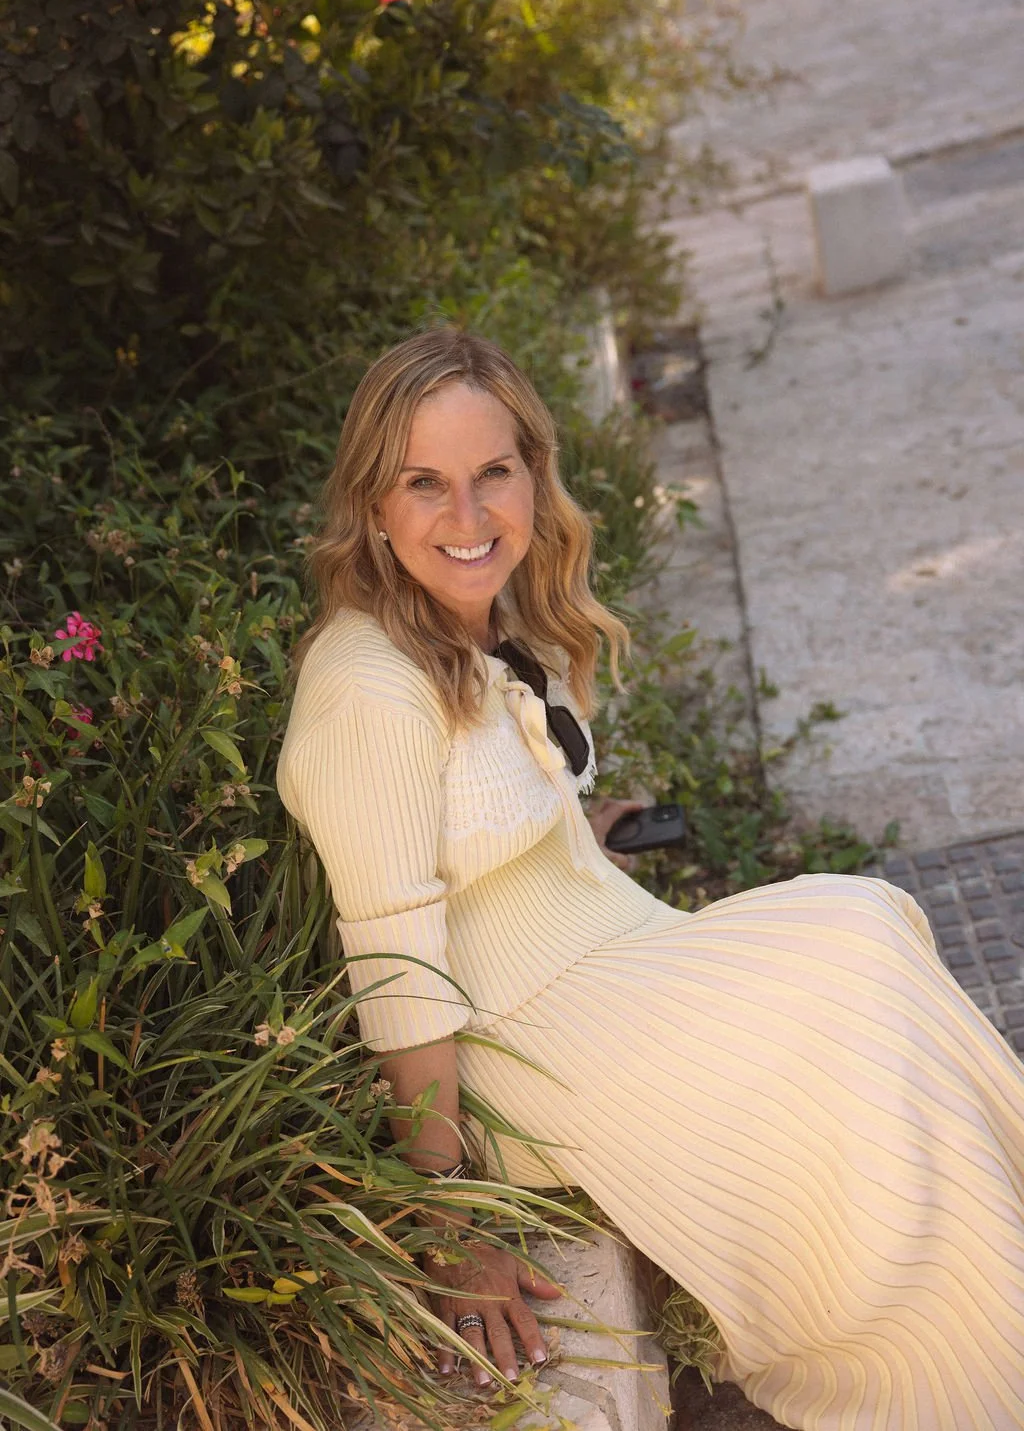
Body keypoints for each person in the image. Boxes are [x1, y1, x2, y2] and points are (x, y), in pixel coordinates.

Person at [276, 325, 1024, 1430]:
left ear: (534, 469)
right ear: (373, 506)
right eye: (423, 484)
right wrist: (450, 1217)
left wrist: (577, 819)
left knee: (866, 931)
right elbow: (393, 968)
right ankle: (950, 1374)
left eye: (493, 472)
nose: (469, 516)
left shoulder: (487, 617)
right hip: (521, 1037)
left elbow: (498, 795)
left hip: (610, 947)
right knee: (851, 957)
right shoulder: (366, 688)